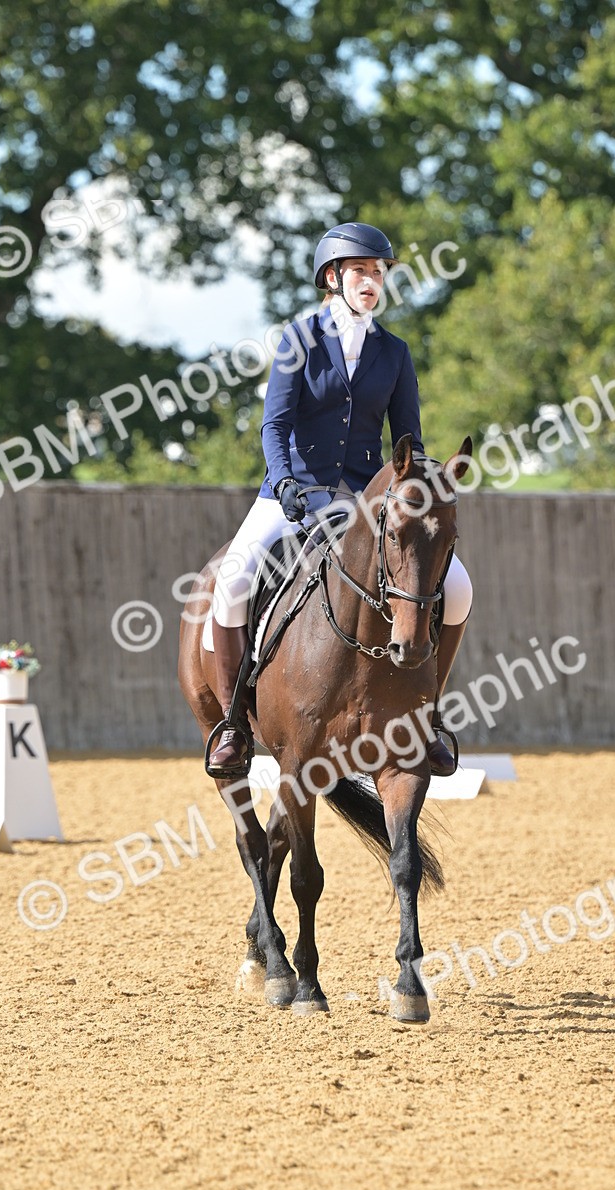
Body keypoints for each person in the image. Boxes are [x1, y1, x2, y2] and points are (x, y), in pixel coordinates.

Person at [207, 221, 472, 776]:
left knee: (459, 587)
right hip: (291, 494)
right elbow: (274, 427)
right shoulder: (296, 342)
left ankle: (429, 716)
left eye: (379, 272)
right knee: (232, 582)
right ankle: (233, 721)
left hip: (366, 504)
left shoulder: (394, 353)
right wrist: (284, 485)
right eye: (361, 271)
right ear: (333, 277)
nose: (372, 281)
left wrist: (418, 489)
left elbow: (409, 441)